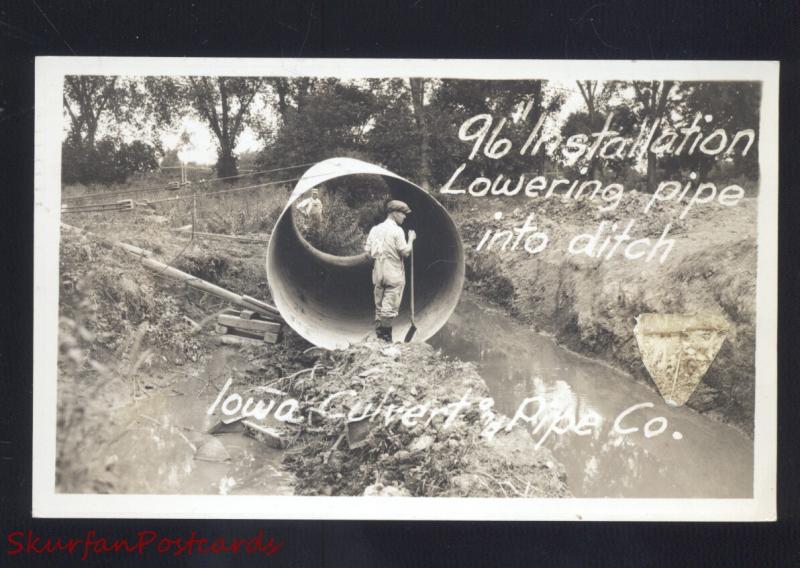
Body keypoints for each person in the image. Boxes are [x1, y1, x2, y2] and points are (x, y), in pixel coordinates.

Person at [364, 200, 416, 342]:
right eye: (403, 214)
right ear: (394, 213)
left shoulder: (375, 229)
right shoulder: (397, 231)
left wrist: (378, 261)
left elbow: (367, 253)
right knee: (390, 308)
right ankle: (386, 340)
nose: (404, 217)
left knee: (379, 306)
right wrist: (411, 240)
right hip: (393, 272)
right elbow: (405, 252)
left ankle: (379, 338)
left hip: (378, 270)